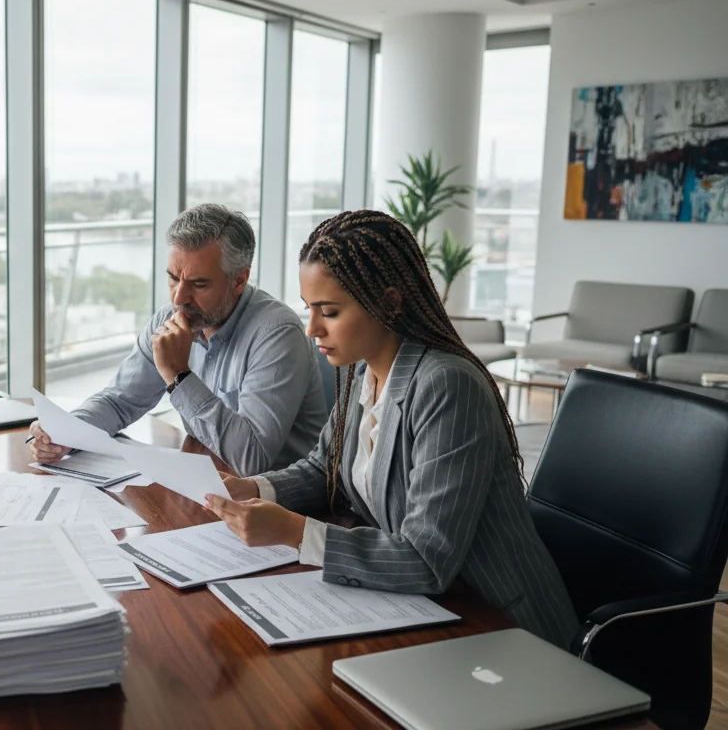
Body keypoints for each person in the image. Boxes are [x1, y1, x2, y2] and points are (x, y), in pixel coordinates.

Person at [204, 209, 578, 648]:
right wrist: (253, 489)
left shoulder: (446, 385)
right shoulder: (364, 372)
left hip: (499, 623)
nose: (312, 329)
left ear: (389, 303)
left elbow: (426, 559)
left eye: (329, 311)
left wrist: (295, 533)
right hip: (428, 610)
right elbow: (324, 468)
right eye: (310, 309)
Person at [28, 204, 327, 477]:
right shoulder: (170, 319)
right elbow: (120, 400)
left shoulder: (277, 333)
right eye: (173, 278)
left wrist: (179, 376)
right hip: (207, 481)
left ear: (239, 280)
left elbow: (251, 459)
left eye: (199, 284)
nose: (179, 298)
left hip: (279, 502)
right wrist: (65, 433)